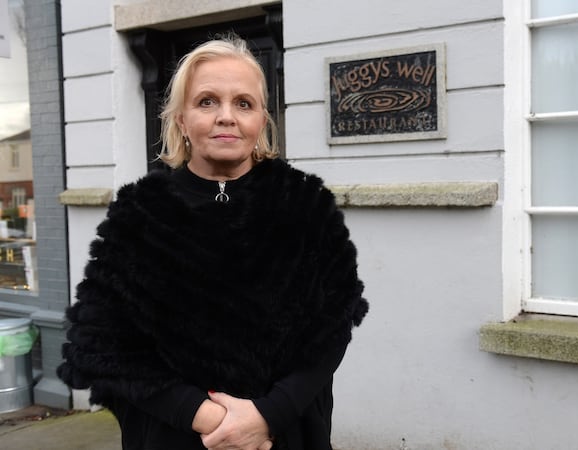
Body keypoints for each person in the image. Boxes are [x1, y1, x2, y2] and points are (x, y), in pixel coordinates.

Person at [57, 34, 369, 450]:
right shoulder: (139, 216)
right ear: (181, 120)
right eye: (207, 101)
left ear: (261, 119)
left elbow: (333, 326)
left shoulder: (305, 206)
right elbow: (103, 343)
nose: (226, 116)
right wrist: (208, 420)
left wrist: (267, 416)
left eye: (243, 103)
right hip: (176, 436)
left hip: (284, 436)